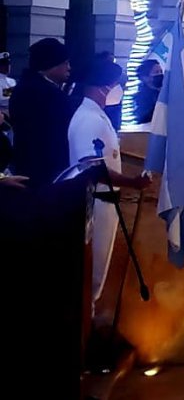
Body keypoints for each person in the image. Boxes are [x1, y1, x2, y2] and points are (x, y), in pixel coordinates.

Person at [67, 60, 149, 313]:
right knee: (90, 277)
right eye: (116, 85)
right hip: (96, 205)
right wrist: (133, 183)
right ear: (102, 87)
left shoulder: (97, 115)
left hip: (105, 203)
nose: (119, 89)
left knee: (96, 276)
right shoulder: (89, 119)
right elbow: (90, 167)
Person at [9, 37, 74, 186]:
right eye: (65, 63)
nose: (69, 67)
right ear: (50, 65)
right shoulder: (47, 95)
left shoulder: (23, 88)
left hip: (25, 166)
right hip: (48, 171)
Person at [132, 58, 163, 124]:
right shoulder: (141, 98)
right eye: (156, 72)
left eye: (161, 71)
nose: (160, 74)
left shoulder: (164, 93)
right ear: (145, 77)